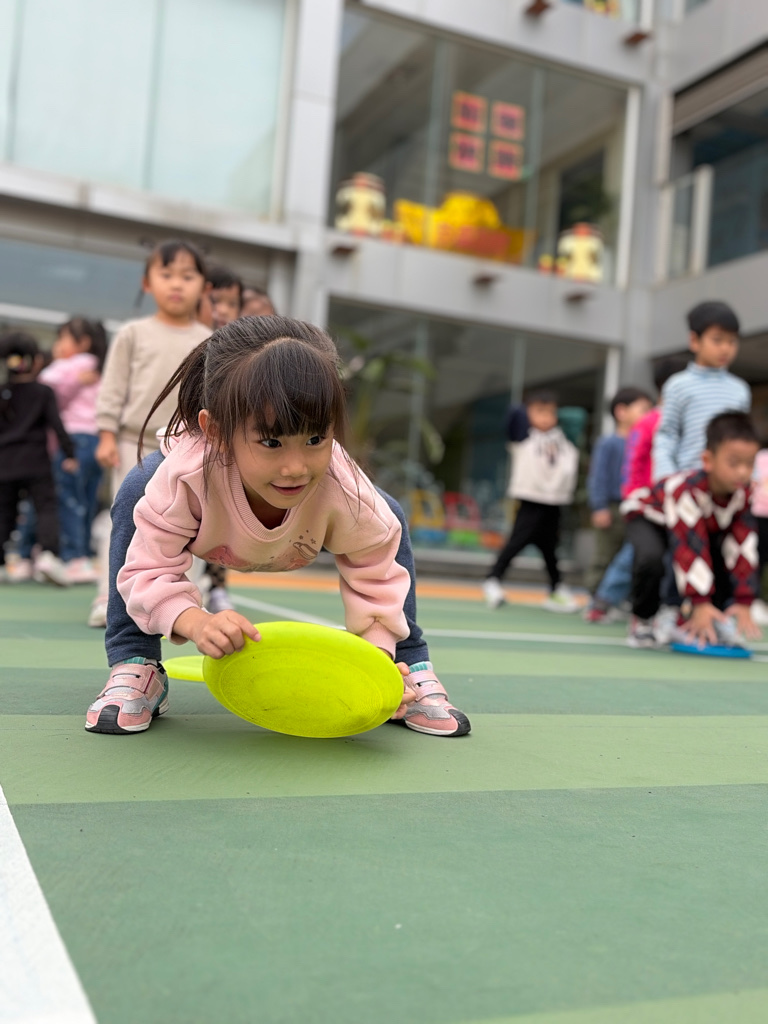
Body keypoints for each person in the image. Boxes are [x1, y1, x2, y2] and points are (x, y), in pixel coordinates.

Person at [84, 316, 471, 738]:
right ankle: (135, 660)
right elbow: (147, 570)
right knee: (136, 487)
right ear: (216, 432)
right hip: (203, 525)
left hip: (304, 534)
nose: (295, 467)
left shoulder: (343, 490)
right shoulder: (183, 478)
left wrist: (376, 662)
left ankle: (409, 663)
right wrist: (196, 622)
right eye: (271, 442)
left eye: (316, 439)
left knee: (387, 514)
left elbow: (376, 573)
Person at [89, 239, 211, 627]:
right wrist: (106, 434)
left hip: (189, 445)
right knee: (125, 516)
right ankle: (109, 596)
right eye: (166, 274)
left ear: (204, 286)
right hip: (133, 441)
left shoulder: (209, 340)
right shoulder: (133, 333)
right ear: (147, 283)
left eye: (187, 276)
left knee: (191, 523)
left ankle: (187, 599)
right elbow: (113, 386)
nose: (176, 284)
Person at [621, 411, 762, 648]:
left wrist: (744, 599)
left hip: (696, 525)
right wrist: (699, 601)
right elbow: (689, 547)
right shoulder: (684, 490)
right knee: (651, 559)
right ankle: (643, 618)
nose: (742, 472)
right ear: (707, 460)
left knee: (719, 555)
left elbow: (744, 547)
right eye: (733, 463)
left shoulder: (743, 494)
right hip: (649, 516)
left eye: (749, 464)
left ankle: (712, 618)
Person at [584, 358, 687, 624]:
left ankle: (663, 609)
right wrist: (630, 499)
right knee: (632, 555)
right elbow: (630, 466)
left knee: (668, 559)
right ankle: (603, 600)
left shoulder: (687, 422)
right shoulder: (648, 422)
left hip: (678, 503)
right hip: (645, 505)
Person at [483, 389, 579, 611]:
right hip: (530, 500)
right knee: (516, 542)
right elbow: (513, 413)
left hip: (555, 501)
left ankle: (556, 588)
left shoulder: (563, 439)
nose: (546, 418)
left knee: (550, 549)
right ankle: (492, 580)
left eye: (551, 412)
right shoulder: (523, 437)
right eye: (539, 412)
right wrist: (528, 410)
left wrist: (557, 416)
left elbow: (578, 418)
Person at [30, 317, 107, 584]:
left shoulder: (67, 366)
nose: (58, 345)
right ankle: (83, 555)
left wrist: (70, 379)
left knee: (68, 499)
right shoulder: (101, 367)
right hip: (98, 440)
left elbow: (43, 387)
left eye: (63, 338)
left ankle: (73, 557)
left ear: (82, 342)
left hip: (72, 440)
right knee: (87, 500)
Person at [0, 331, 77, 586]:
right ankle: (47, 555)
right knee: (46, 507)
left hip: (5, 463)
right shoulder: (43, 392)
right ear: (35, 360)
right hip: (36, 462)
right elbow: (57, 425)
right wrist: (69, 453)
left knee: (4, 512)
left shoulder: (3, 392)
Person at [653, 301, 750, 481]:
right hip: (688, 482)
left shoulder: (740, 390)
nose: (725, 348)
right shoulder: (677, 385)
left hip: (730, 483)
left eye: (732, 341)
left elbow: (744, 439)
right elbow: (667, 437)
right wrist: (666, 479)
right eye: (717, 340)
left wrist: (752, 477)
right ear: (694, 340)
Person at [584, 387, 653, 595]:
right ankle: (595, 598)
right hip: (613, 508)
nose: (648, 415)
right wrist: (599, 507)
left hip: (637, 508)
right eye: (643, 409)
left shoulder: (646, 444)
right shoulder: (608, 443)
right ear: (621, 411)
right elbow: (598, 477)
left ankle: (620, 598)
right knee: (605, 556)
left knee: (633, 556)